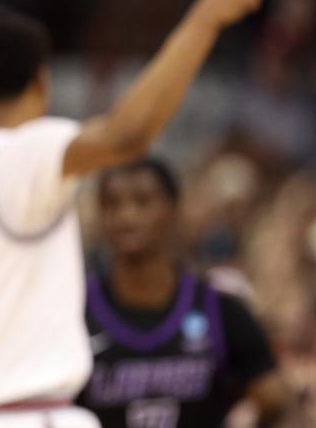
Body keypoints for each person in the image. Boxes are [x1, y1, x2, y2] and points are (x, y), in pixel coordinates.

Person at [0, 0, 290, 428]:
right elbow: (127, 136)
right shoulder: (24, 152)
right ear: (42, 81)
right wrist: (206, 18)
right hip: (35, 414)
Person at [76, 158, 290, 427]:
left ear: (173, 208)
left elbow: (274, 398)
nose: (126, 215)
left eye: (142, 201)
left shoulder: (220, 309)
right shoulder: (74, 313)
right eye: (112, 204)